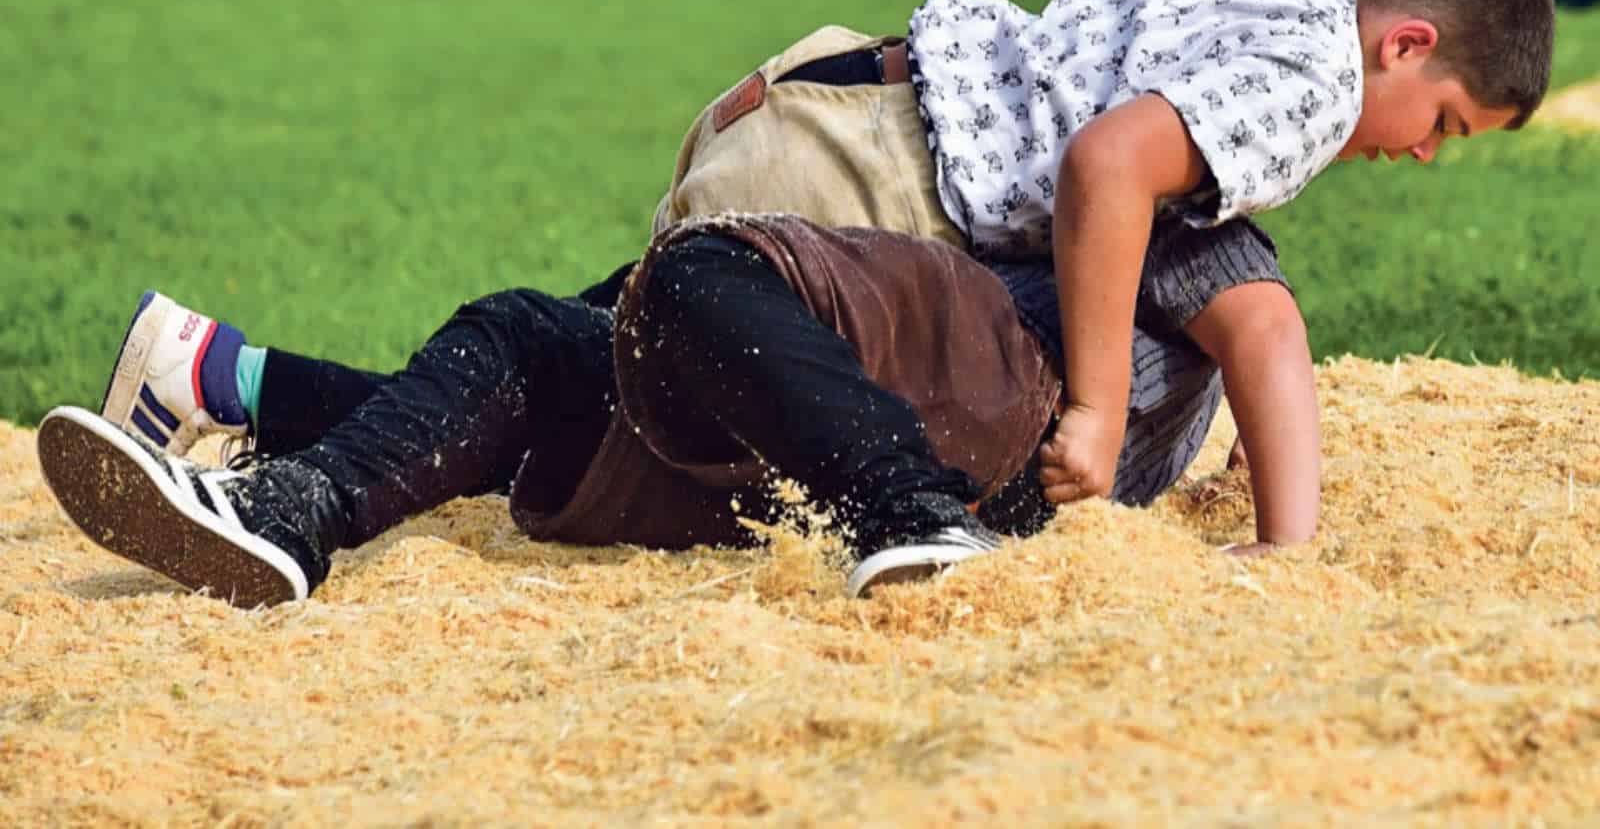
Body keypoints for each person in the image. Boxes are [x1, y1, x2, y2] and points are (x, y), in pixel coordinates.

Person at [654, 0, 1556, 509]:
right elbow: (1109, 163)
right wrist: (1098, 406)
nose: (1427, 152)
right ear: (1407, 46)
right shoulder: (1324, 88)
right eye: (1444, 123)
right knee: (666, 380)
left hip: (819, 95)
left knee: (630, 335)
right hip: (863, 173)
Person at [41, 205, 1304, 608]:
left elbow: (1261, 316)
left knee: (689, 270)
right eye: (1443, 126)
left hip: (969, 428)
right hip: (846, 426)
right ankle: (286, 505)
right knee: (526, 341)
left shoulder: (1181, 202)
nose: (1422, 153)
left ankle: (912, 514)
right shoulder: (1104, 194)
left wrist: (1289, 545)